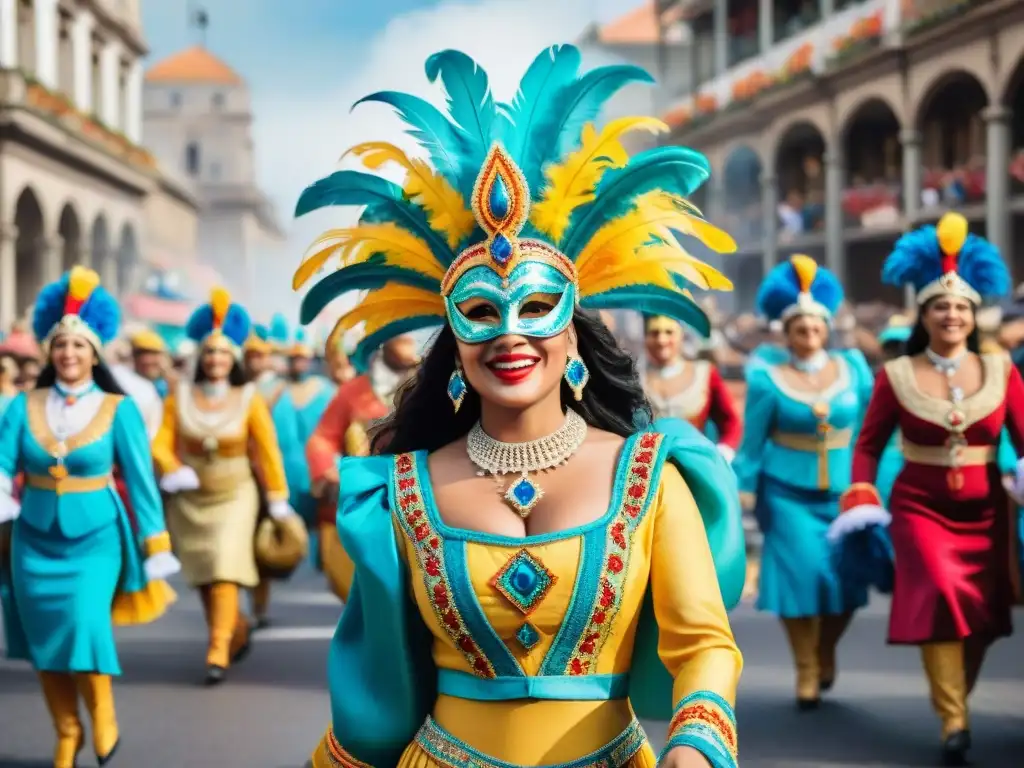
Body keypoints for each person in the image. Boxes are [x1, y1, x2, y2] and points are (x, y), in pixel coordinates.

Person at [295, 45, 745, 768]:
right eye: (480, 311)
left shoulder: (652, 474)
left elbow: (705, 645)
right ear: (455, 345)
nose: (510, 332)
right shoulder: (398, 489)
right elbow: (379, 681)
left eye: (537, 308)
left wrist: (696, 744)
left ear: (574, 340)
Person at [829, 213, 1022, 766]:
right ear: (925, 314)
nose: (952, 314)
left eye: (961, 306)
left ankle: (955, 695)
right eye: (941, 306)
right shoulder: (898, 375)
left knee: (982, 618)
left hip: (988, 508)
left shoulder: (1002, 369)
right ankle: (953, 720)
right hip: (920, 506)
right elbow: (867, 443)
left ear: (972, 315)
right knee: (940, 594)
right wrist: (862, 490)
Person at [0, 267, 179, 768]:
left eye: (78, 346)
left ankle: (101, 710)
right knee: (42, 639)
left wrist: (156, 544)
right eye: (60, 345)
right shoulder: (22, 405)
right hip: (32, 540)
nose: (69, 354)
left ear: (94, 353)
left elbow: (142, 483)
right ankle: (66, 731)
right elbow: (2, 463)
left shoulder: (118, 409)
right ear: (49, 351)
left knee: (84, 625)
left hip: (95, 538)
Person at [732, 255, 874, 710]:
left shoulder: (854, 368)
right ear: (786, 331)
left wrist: (878, 481)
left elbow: (873, 432)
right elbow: (752, 442)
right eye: (799, 326)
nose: (809, 331)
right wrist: (744, 486)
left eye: (816, 324)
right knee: (800, 578)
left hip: (845, 491)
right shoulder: (766, 377)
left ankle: (827, 647)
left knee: (847, 580)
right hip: (786, 492)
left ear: (826, 327)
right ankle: (806, 668)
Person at [151, 288, 297, 685]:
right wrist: (171, 466)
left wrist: (278, 497)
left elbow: (267, 452)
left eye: (222, 353)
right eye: (209, 353)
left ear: (232, 359)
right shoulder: (178, 396)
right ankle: (237, 628)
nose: (215, 359)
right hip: (191, 495)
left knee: (224, 565)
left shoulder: (248, 397)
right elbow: (161, 443)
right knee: (203, 573)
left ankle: (217, 648)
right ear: (200, 357)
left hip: (236, 493)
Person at [304, 333, 421, 600]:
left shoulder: (433, 384)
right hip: (367, 497)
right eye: (399, 334)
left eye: (411, 335)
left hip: (419, 495)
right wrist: (329, 471)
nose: (408, 341)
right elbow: (323, 437)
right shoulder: (355, 390)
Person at [643, 314, 741, 461]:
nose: (661, 340)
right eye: (654, 333)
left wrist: (724, 452)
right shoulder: (633, 378)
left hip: (694, 465)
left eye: (669, 332)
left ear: (681, 335)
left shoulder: (704, 373)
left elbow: (730, 422)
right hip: (647, 468)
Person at [129, 329, 170, 398]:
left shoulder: (174, 386)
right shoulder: (124, 384)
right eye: (140, 353)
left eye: (153, 353)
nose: (146, 360)